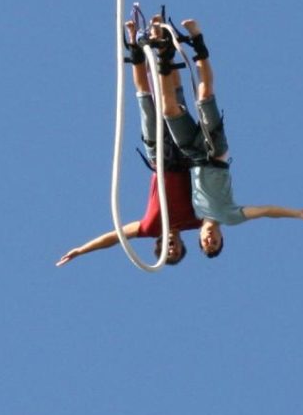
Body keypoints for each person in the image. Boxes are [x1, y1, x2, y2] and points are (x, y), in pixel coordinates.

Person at [155, 18, 303, 258]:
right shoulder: (231, 216)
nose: (210, 239)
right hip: (215, 152)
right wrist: (297, 213)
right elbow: (266, 211)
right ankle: (197, 40)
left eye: (206, 243)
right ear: (221, 237)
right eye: (215, 243)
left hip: (193, 155)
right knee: (204, 94)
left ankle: (163, 55)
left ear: (200, 239)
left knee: (168, 111)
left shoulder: (192, 215)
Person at [55, 23, 202, 268]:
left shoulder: (149, 227)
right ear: (183, 245)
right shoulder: (193, 221)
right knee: (173, 99)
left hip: (160, 159)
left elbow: (114, 237)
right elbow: (222, 216)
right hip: (184, 157)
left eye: (168, 251)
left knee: (145, 99)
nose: (172, 247)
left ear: (159, 245)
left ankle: (134, 44)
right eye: (176, 250)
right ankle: (163, 47)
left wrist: (82, 250)